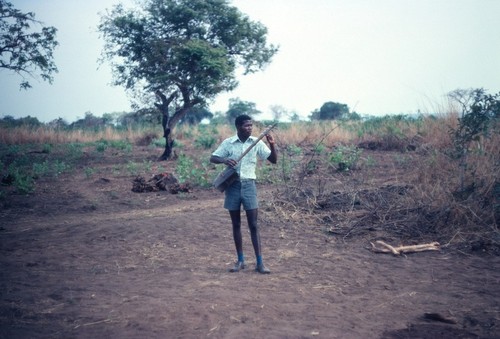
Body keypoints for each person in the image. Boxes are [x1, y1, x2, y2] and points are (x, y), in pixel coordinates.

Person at [210, 115, 277, 274]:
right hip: (232, 186)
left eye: (251, 125)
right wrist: (225, 160)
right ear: (238, 127)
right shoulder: (228, 143)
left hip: (249, 186)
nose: (250, 128)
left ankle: (260, 263)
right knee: (236, 224)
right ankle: (240, 261)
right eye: (246, 126)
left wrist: (272, 145)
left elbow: (273, 160)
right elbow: (213, 157)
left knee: (253, 225)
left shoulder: (256, 142)